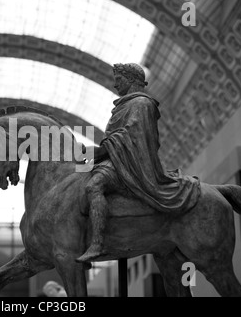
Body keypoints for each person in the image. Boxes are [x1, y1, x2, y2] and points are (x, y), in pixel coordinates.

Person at [76, 63, 200, 263]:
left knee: (93, 186)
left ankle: (97, 243)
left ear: (131, 79)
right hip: (117, 159)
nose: (115, 85)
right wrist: (96, 153)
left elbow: (131, 135)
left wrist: (102, 150)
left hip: (131, 164)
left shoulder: (142, 104)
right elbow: (117, 137)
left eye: (119, 80)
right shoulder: (125, 105)